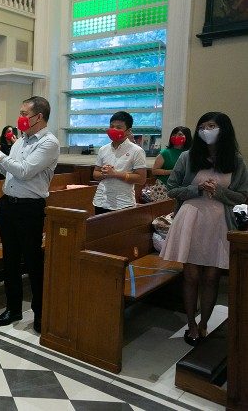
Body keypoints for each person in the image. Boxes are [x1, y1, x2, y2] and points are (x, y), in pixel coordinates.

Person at [161, 112, 248, 345]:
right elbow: (171, 188)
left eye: (211, 126)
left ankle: (204, 324)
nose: (205, 130)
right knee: (190, 276)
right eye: (201, 126)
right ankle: (190, 324)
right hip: (191, 218)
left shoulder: (236, 161)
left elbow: (243, 196)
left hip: (219, 222)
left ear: (223, 130)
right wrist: (197, 188)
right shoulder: (188, 157)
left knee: (211, 276)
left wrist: (218, 192)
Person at [0, 96, 60, 333]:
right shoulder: (20, 142)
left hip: (30, 208)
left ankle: (39, 312)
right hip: (8, 205)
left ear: (39, 116)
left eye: (25, 113)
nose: (21, 118)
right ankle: (13, 307)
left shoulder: (49, 143)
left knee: (33, 261)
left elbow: (25, 172)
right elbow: (4, 169)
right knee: (10, 260)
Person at [92, 111, 148, 214]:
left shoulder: (137, 151)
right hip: (100, 201)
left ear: (128, 131)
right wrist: (105, 173)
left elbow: (141, 179)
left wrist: (115, 174)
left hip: (123, 204)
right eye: (111, 126)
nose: (113, 130)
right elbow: (95, 174)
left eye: (118, 127)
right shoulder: (103, 149)